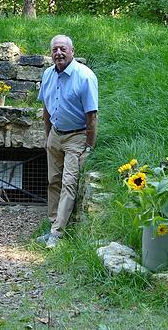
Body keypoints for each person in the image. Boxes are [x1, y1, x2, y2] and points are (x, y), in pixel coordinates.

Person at [37, 35, 98, 248]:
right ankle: (53, 223)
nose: (58, 53)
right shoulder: (47, 74)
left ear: (72, 51)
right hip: (55, 134)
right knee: (53, 180)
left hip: (77, 135)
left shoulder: (85, 77)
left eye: (62, 49)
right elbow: (45, 107)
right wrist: (48, 137)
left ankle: (57, 234)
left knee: (68, 183)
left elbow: (92, 116)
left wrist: (88, 147)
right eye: (54, 49)